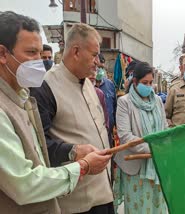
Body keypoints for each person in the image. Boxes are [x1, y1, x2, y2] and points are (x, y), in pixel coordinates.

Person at [0, 11, 112, 213]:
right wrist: (80, 161)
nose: (39, 61)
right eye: (31, 53)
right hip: (75, 201)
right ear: (2, 54)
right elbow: (25, 182)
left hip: (99, 194)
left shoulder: (22, 97)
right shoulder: (44, 88)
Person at [30, 23, 114, 213]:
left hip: (104, 194)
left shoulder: (89, 85)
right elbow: (38, 146)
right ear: (76, 51)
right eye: (93, 55)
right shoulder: (45, 87)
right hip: (77, 203)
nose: (98, 62)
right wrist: (73, 151)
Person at [114, 61, 168, 213]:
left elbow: (164, 127)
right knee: (139, 208)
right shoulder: (124, 102)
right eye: (145, 82)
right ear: (135, 81)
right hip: (135, 168)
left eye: (151, 83)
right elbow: (125, 136)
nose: (149, 86)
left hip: (157, 166)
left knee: (157, 206)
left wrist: (163, 146)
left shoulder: (157, 100)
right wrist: (152, 149)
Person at [96, 53, 117, 148]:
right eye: (97, 67)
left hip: (108, 132)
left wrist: (115, 126)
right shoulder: (86, 85)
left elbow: (114, 107)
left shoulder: (110, 85)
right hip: (94, 133)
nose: (99, 70)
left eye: (102, 68)